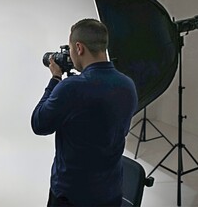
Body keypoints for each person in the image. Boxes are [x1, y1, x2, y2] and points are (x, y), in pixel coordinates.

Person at [31, 18, 138, 206]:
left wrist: (55, 79)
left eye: (71, 49)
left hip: (71, 195)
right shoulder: (128, 84)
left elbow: (39, 124)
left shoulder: (71, 88)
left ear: (79, 48)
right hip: (111, 193)